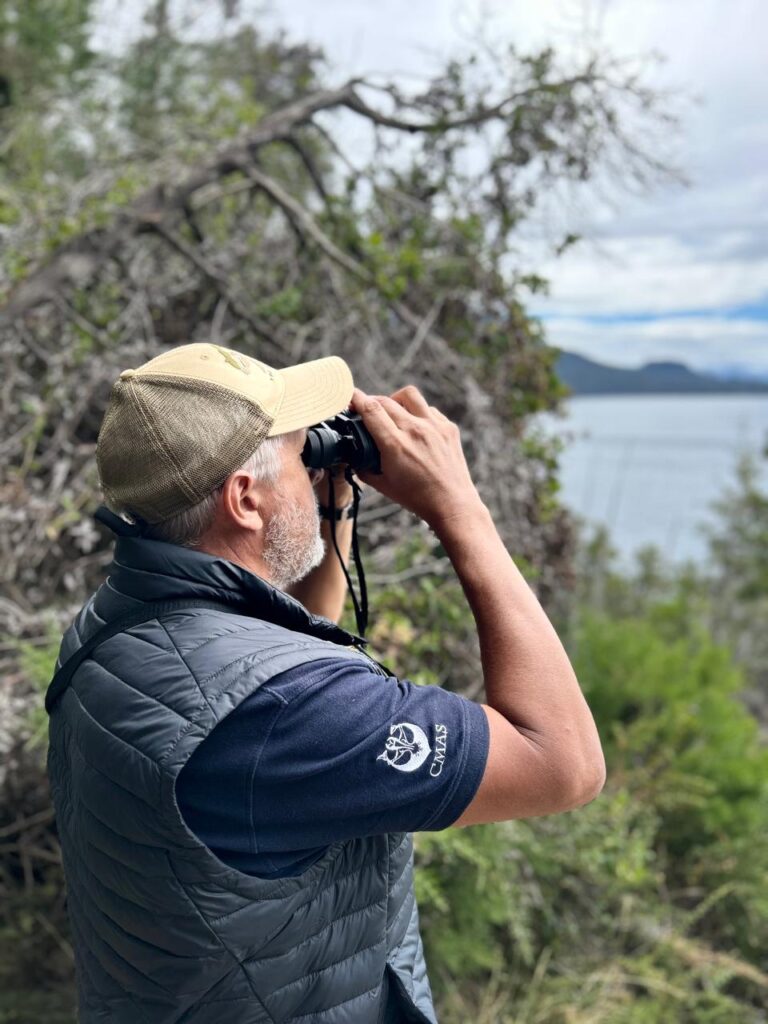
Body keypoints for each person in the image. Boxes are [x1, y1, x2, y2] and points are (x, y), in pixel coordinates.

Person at [46, 342, 605, 1024]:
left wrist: (328, 509)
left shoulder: (114, 626)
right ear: (244, 499)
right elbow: (565, 764)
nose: (313, 463)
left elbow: (269, 667)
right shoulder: (284, 712)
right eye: (297, 452)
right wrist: (460, 509)